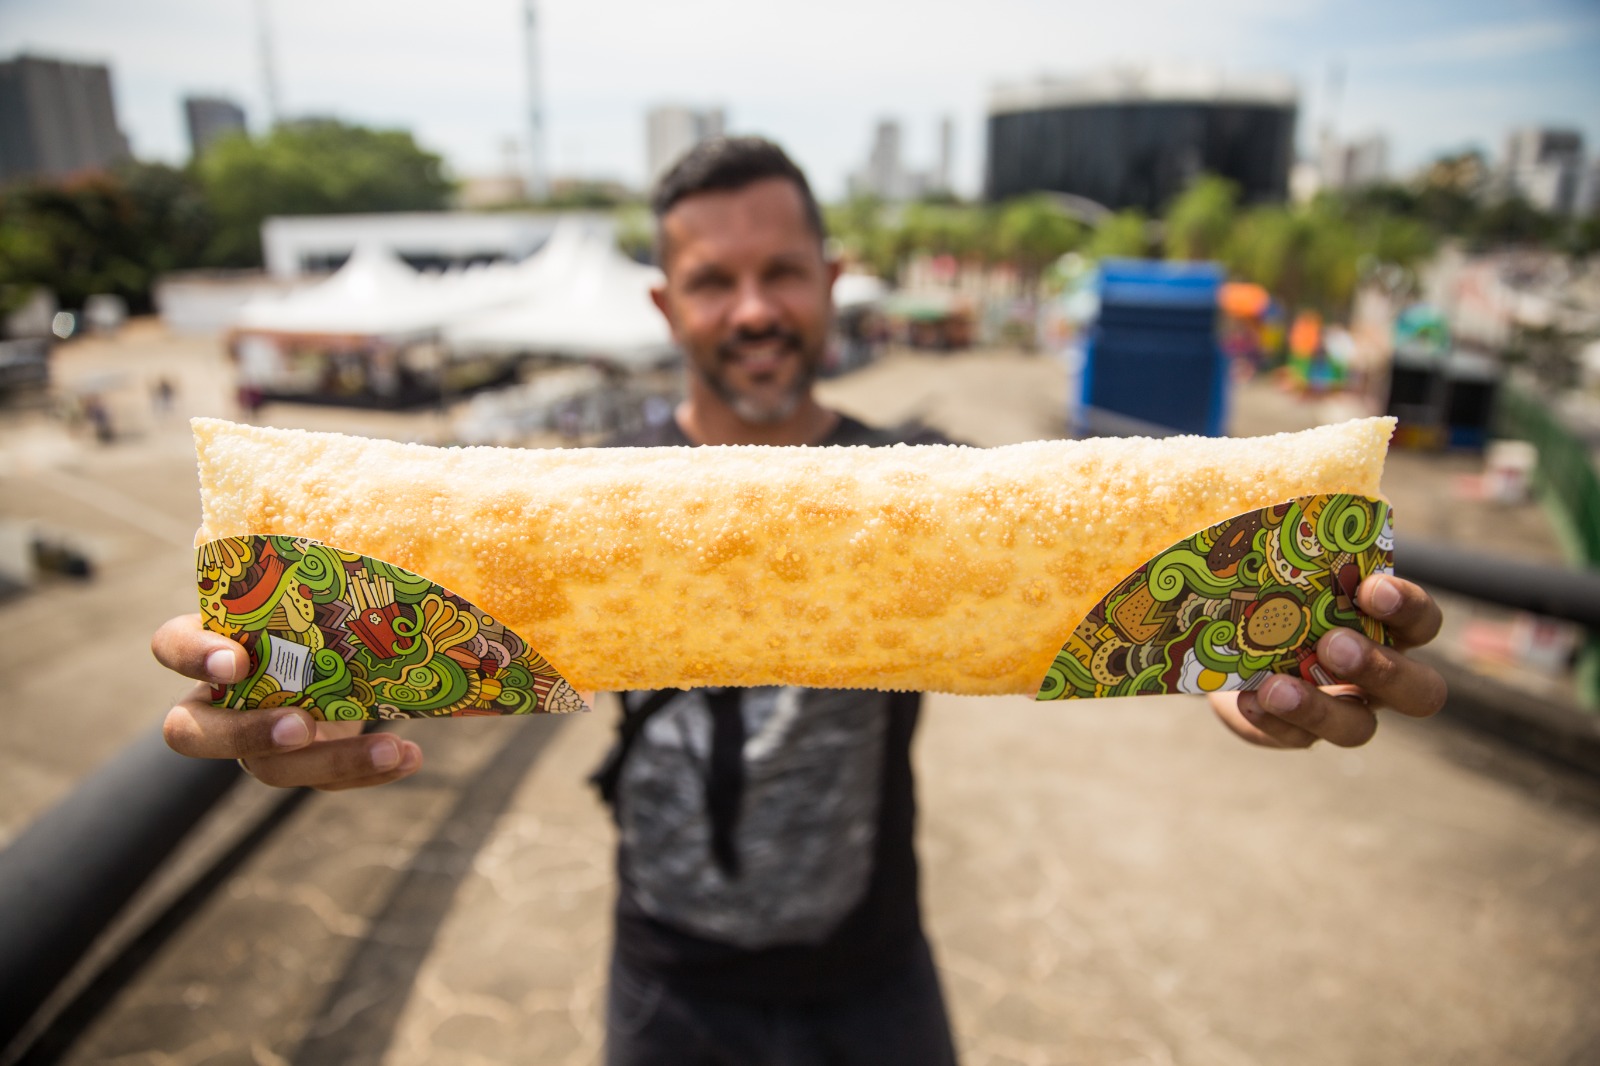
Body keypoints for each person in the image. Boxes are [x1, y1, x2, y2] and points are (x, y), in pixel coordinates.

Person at [151, 138, 1449, 1065]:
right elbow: (435, 621)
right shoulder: (586, 494)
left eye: (783, 272)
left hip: (875, 973)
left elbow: (1100, 586)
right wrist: (300, 688)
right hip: (663, 976)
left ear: (833, 281)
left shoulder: (935, 477)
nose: (755, 309)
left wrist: (1255, 667)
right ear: (666, 303)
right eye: (713, 280)